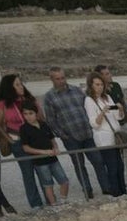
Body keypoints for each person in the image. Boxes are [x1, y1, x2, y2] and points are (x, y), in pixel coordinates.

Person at [44, 67, 107, 198]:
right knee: (79, 165)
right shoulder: (49, 97)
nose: (61, 81)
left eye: (63, 77)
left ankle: (106, 188)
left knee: (98, 161)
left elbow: (87, 107)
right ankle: (87, 190)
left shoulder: (77, 91)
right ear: (52, 79)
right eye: (58, 79)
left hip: (87, 133)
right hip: (70, 138)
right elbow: (51, 121)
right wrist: (63, 135)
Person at [0, 73, 45, 211]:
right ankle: (36, 204)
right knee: (28, 173)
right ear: (9, 87)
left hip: (35, 139)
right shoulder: (2, 104)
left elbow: (40, 117)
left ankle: (50, 200)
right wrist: (9, 140)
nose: (21, 86)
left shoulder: (28, 99)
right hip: (18, 141)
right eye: (17, 84)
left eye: (21, 83)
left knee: (43, 170)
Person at [83, 71, 126, 197]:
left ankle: (123, 192)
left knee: (120, 167)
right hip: (104, 139)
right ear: (91, 85)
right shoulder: (89, 100)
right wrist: (102, 112)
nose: (100, 87)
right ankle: (116, 194)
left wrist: (120, 109)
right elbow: (94, 124)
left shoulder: (107, 97)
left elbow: (118, 117)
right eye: (97, 84)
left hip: (114, 136)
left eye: (101, 84)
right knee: (112, 168)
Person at [19, 102, 70, 205]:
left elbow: (52, 139)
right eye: (25, 114)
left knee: (64, 181)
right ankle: (54, 205)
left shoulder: (44, 124)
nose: (28, 116)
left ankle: (63, 201)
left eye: (30, 113)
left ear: (36, 113)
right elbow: (26, 148)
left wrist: (55, 148)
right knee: (48, 184)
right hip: (40, 161)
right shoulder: (23, 129)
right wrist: (43, 152)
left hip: (53, 159)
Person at [96, 64, 127, 186]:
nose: (109, 76)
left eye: (109, 73)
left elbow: (122, 102)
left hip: (122, 122)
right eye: (106, 74)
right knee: (116, 154)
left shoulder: (116, 86)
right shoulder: (101, 93)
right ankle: (121, 179)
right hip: (111, 126)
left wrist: (125, 114)